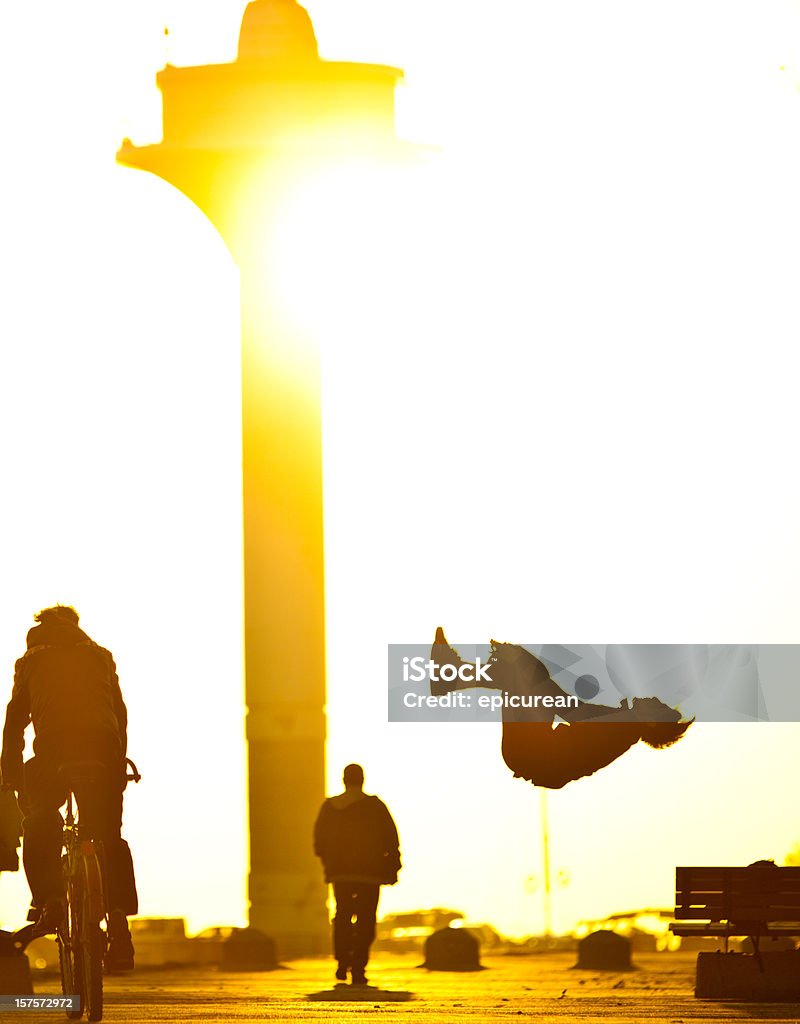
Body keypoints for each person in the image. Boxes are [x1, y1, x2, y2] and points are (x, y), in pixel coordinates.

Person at [0, 605, 138, 971]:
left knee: (40, 818)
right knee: (108, 834)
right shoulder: (101, 656)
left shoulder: (31, 661)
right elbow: (120, 717)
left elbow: (15, 723)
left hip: (55, 751)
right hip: (103, 752)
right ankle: (119, 918)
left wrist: (11, 777)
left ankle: (49, 900)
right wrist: (117, 766)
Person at [313, 764, 400, 986]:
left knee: (342, 916)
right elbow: (391, 838)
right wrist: (392, 866)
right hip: (369, 875)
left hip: (340, 874)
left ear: (343, 780)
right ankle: (359, 967)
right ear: (362, 780)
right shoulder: (375, 806)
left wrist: (329, 862)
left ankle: (343, 961)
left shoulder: (329, 807)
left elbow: (318, 842)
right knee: (366, 919)